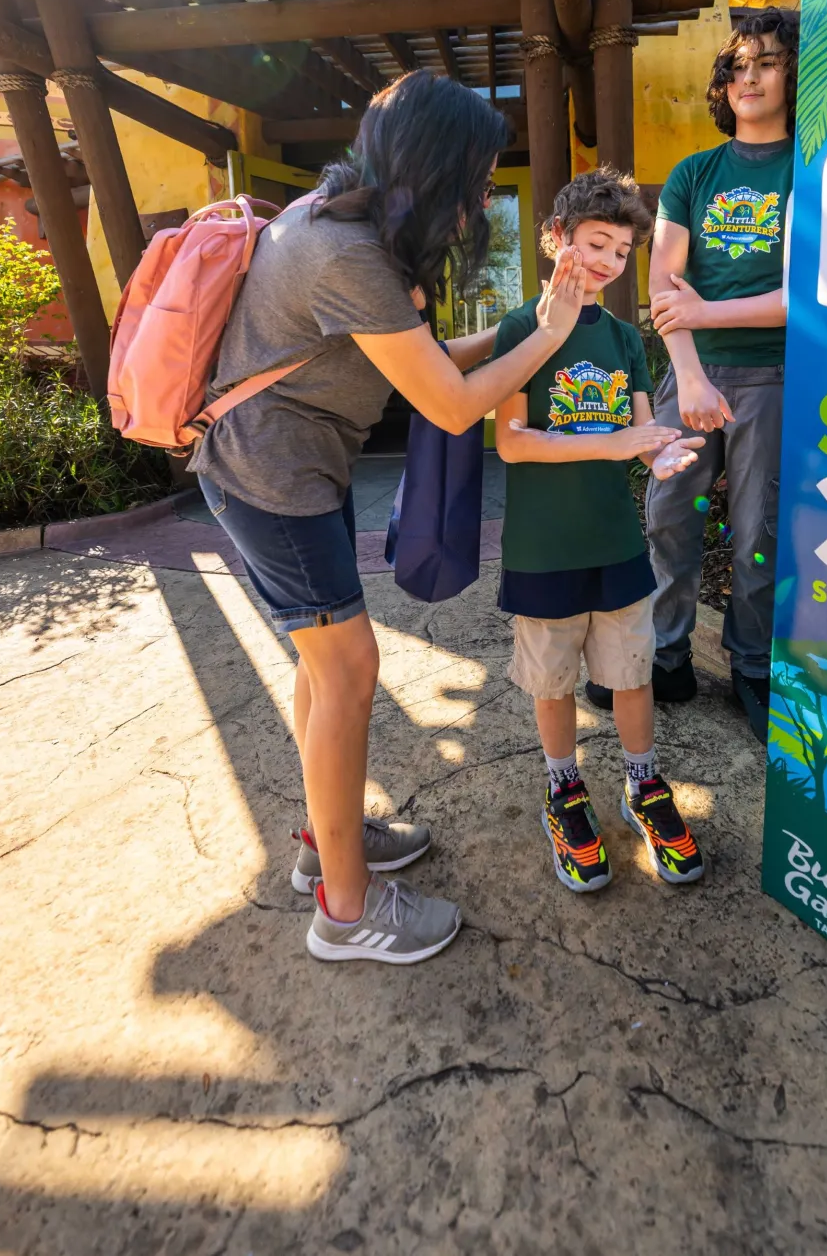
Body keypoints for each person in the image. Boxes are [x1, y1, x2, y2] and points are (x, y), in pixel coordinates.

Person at [190, 73, 589, 967]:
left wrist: (529, 323)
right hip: (272, 477)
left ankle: (322, 844)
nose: (483, 196)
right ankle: (345, 910)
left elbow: (417, 363)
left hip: (287, 467)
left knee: (321, 666)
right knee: (350, 671)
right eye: (480, 177)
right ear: (435, 165)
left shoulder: (339, 221)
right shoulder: (346, 254)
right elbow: (450, 406)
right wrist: (553, 336)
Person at [586, 7, 798, 742]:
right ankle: (665, 656)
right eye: (739, 63)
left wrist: (708, 316)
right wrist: (693, 376)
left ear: (792, 73)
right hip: (692, 379)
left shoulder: (808, 164)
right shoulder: (694, 174)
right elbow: (665, 286)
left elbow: (798, 298)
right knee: (669, 519)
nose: (749, 76)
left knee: (756, 533)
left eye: (767, 62)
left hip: (773, 380)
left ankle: (751, 666)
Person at [493, 168, 707, 891]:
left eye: (621, 250)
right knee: (552, 682)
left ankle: (643, 785)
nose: (610, 262)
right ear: (558, 240)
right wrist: (609, 444)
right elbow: (513, 442)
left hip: (619, 543)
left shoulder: (620, 335)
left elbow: (642, 428)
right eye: (596, 244)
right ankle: (564, 791)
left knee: (632, 674)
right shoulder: (524, 328)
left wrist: (663, 448)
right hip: (543, 548)